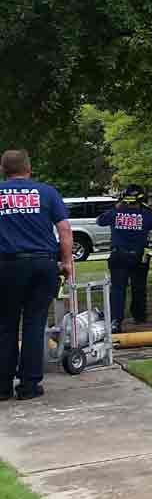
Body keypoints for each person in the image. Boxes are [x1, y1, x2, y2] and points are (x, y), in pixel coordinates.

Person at [0, 150, 73, 401]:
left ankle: (2, 386)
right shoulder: (47, 192)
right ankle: (29, 385)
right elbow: (64, 230)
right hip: (43, 265)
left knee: (5, 325)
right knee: (34, 324)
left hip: (6, 265)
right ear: (29, 169)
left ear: (3, 170)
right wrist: (66, 262)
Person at [95, 185, 152, 332]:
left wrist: (116, 207)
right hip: (138, 256)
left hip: (118, 255)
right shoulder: (147, 214)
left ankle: (115, 321)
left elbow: (99, 221)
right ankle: (140, 316)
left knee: (118, 289)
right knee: (139, 287)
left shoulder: (116, 213)